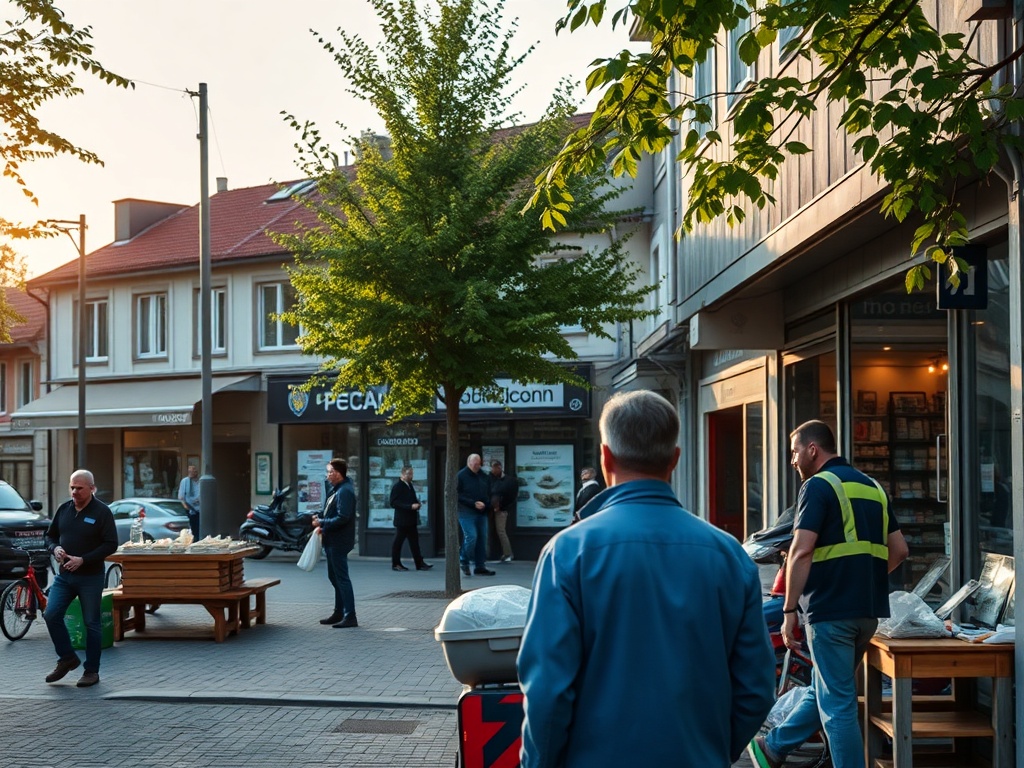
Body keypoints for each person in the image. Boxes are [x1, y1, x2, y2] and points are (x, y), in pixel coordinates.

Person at [518, 391, 775, 767]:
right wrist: (712, 748)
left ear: (605, 457)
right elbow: (755, 687)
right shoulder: (729, 555)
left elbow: (547, 692)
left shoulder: (567, 553)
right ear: (675, 459)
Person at [748, 420, 909, 768]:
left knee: (837, 705)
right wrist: (861, 579)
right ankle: (774, 747)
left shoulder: (818, 486)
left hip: (830, 611)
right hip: (866, 612)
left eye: (794, 452)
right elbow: (900, 551)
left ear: (812, 449)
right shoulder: (872, 487)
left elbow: (801, 551)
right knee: (826, 688)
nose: (792, 460)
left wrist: (789, 610)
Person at [43, 469, 119, 688]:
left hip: (90, 577)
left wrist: (83, 560)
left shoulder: (102, 512)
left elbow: (110, 544)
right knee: (51, 614)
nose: (74, 492)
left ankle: (91, 671)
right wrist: (55, 548)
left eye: (79, 488)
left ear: (91, 488)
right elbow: (50, 535)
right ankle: (67, 658)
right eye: (72, 487)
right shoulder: (64, 509)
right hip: (65, 577)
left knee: (91, 624)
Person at [312, 457, 358, 628]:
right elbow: (331, 512)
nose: (328, 475)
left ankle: (350, 615)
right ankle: (339, 612)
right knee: (335, 577)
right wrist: (320, 517)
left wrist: (322, 523)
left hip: (339, 541)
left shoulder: (344, 491)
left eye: (330, 472)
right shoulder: (336, 489)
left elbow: (343, 517)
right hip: (332, 540)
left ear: (338, 473)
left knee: (341, 578)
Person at [456, 453, 495, 576]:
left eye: (478, 464)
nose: (476, 466)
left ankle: (480, 566)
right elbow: (457, 495)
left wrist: (487, 504)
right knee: (471, 537)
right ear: (469, 462)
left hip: (481, 512)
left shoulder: (484, 476)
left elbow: (489, 491)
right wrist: (473, 503)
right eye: (474, 464)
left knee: (482, 539)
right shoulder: (461, 476)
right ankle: (464, 560)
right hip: (466, 512)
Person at [389, 465, 431, 571]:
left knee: (415, 543)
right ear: (402, 474)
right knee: (398, 542)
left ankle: (419, 563)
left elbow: (410, 499)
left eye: (412, 473)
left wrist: (417, 503)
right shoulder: (398, 486)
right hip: (402, 520)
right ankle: (396, 564)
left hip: (411, 520)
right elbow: (393, 502)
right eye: (409, 474)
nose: (411, 476)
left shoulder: (409, 485)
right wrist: (410, 506)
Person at [488, 460, 517, 563]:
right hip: (489, 508)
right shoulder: (490, 478)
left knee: (501, 531)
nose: (493, 470)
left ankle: (508, 553)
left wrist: (501, 506)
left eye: (494, 468)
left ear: (500, 468)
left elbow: (512, 497)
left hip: (501, 509)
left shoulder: (509, 481)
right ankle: (487, 553)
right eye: (492, 468)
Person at [177, 462, 201, 539]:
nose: (191, 471)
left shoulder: (200, 481)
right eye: (189, 470)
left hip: (201, 510)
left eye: (193, 469)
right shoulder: (185, 481)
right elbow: (181, 497)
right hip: (192, 510)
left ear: (197, 471)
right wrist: (187, 508)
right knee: (194, 530)